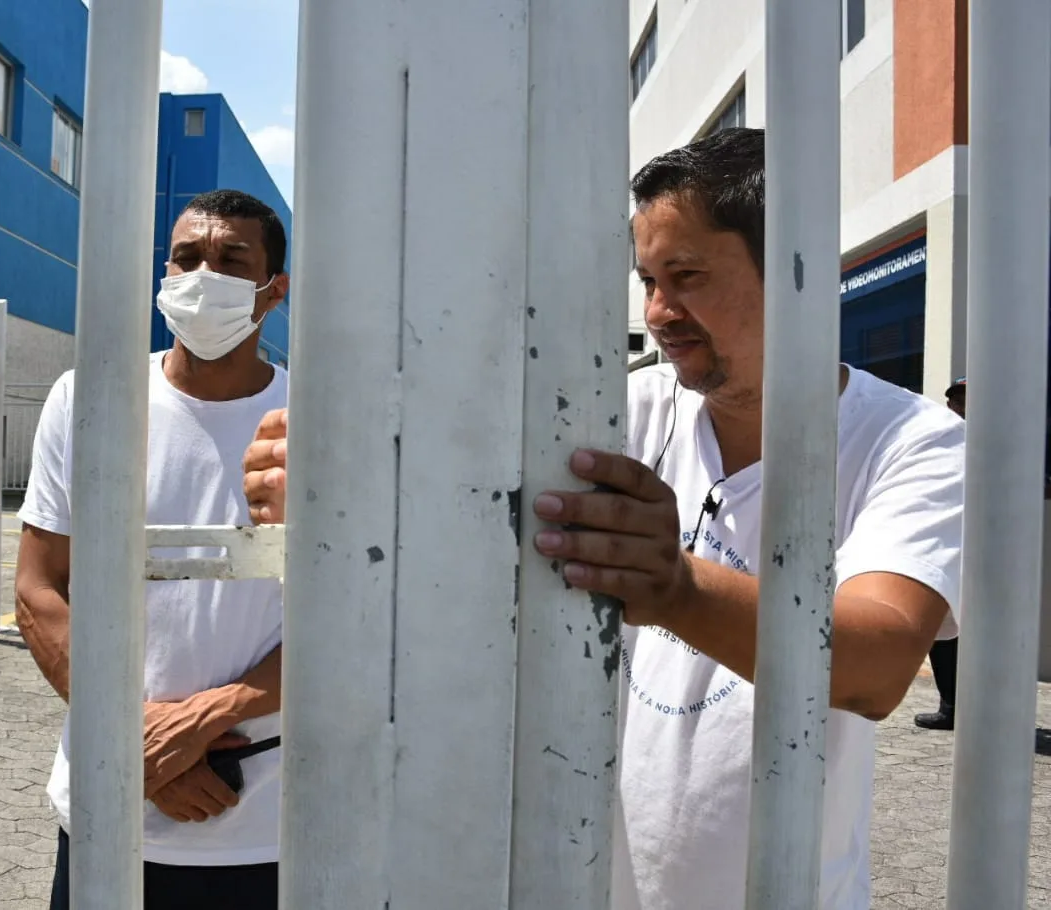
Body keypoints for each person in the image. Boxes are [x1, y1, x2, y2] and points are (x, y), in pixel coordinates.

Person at [242, 129, 965, 910]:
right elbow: (458, 525)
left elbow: (876, 665)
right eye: (647, 279)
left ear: (798, 269)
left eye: (685, 276)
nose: (659, 312)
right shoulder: (623, 416)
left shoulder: (911, 443)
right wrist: (344, 504)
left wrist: (678, 588)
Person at [16, 188, 290, 910]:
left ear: (274, 290)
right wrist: (134, 739)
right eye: (187, 258)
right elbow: (39, 590)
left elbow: (355, 624)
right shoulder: (90, 401)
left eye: (233, 260)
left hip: (262, 823)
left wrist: (201, 720)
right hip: (108, 806)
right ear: (164, 278)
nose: (205, 276)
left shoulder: (310, 422)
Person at [914, 377, 965, 731]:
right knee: (943, 631)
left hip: (987, 552)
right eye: (957, 399)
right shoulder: (938, 439)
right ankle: (950, 706)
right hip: (945, 545)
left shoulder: (1002, 440)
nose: (961, 406)